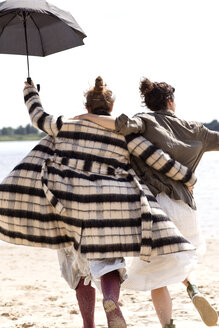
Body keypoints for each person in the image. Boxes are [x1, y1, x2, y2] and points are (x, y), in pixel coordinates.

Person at [0, 77, 196, 328]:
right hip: (111, 204)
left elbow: (38, 117)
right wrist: (188, 177)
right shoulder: (122, 131)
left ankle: (88, 325)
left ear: (88, 106)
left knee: (78, 264)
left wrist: (30, 91)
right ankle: (111, 300)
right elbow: (156, 158)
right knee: (109, 261)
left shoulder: (66, 125)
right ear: (111, 108)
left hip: (71, 203)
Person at [74, 77, 219, 328]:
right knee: (181, 258)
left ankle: (168, 324)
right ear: (171, 101)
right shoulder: (197, 130)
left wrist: (86, 117)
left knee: (157, 277)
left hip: (154, 211)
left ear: (149, 102)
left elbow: (118, 124)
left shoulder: (144, 121)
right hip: (185, 208)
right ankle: (193, 289)